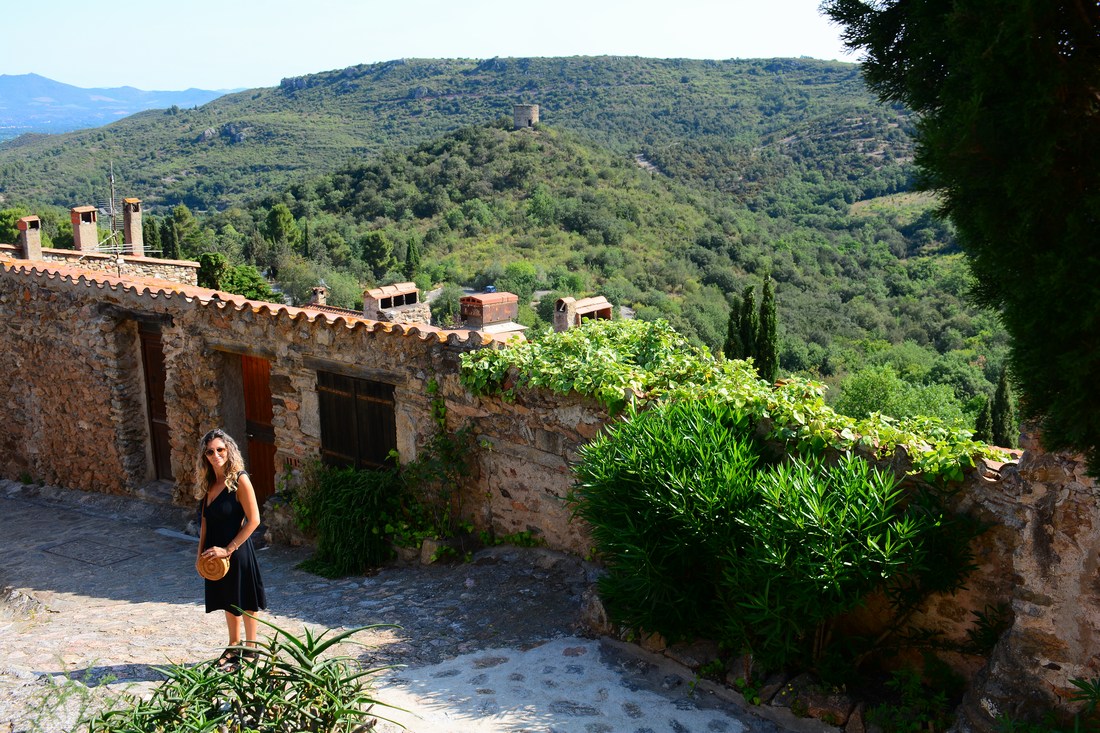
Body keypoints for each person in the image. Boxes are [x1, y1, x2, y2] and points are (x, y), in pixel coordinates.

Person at [195, 428, 267, 669]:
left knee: (245, 598)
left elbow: (254, 520)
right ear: (204, 456)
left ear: (229, 451)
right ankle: (233, 646)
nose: (216, 455)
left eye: (220, 450)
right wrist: (199, 557)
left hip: (237, 549)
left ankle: (251, 648)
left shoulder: (239, 479)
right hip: (213, 554)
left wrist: (228, 549)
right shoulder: (209, 483)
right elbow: (204, 521)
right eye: (210, 451)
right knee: (227, 599)